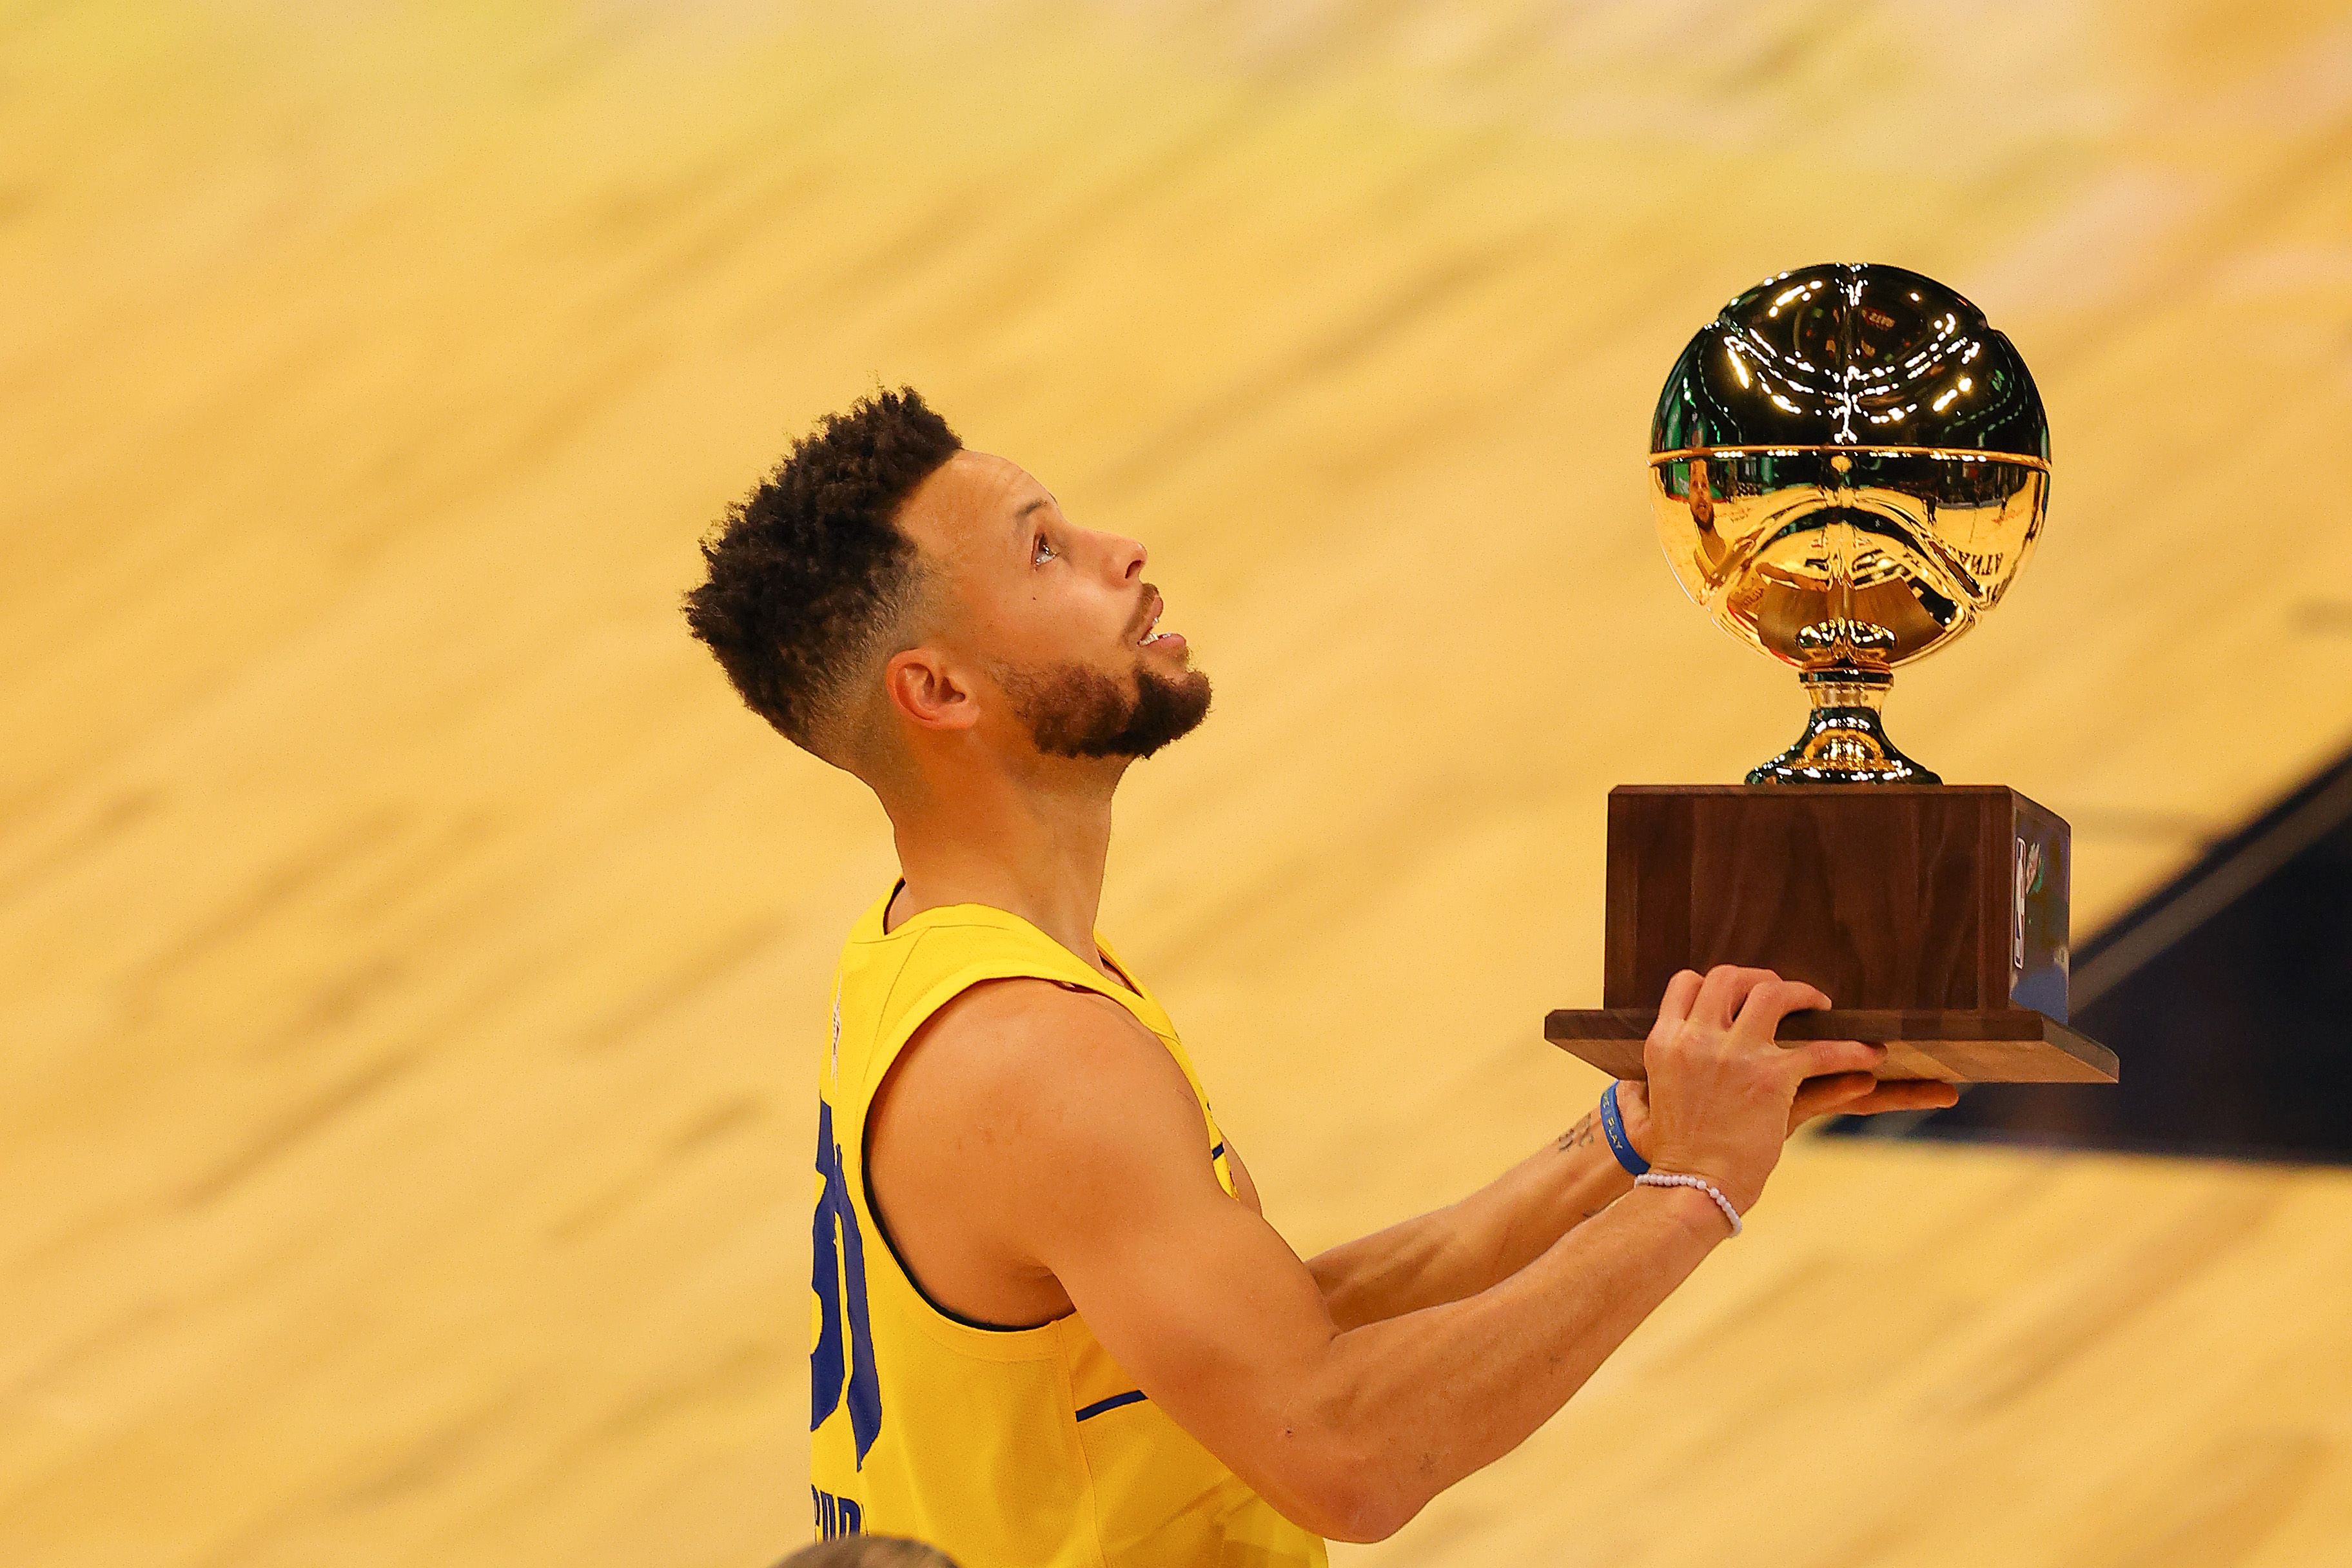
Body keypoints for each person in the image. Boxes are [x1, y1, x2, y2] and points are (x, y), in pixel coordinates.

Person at [683, 388, 1957, 1565]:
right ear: (939, 688)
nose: (1122, 551)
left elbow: (1279, 1338)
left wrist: (1625, 1146)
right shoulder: (1032, 1052)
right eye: (1043, 551)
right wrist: (1697, 1190)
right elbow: (1345, 1456)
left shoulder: (937, 955)